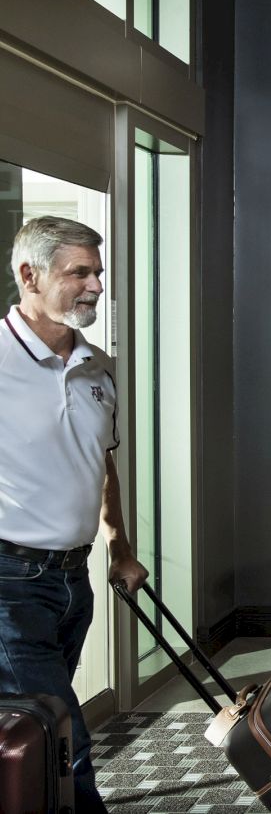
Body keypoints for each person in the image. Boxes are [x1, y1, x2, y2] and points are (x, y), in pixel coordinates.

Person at [0, 216, 149, 813]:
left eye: (98, 272)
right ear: (29, 275)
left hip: (71, 579)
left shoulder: (98, 367)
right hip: (9, 584)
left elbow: (101, 465)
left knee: (32, 732)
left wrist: (120, 549)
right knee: (63, 736)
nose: (96, 286)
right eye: (79, 273)